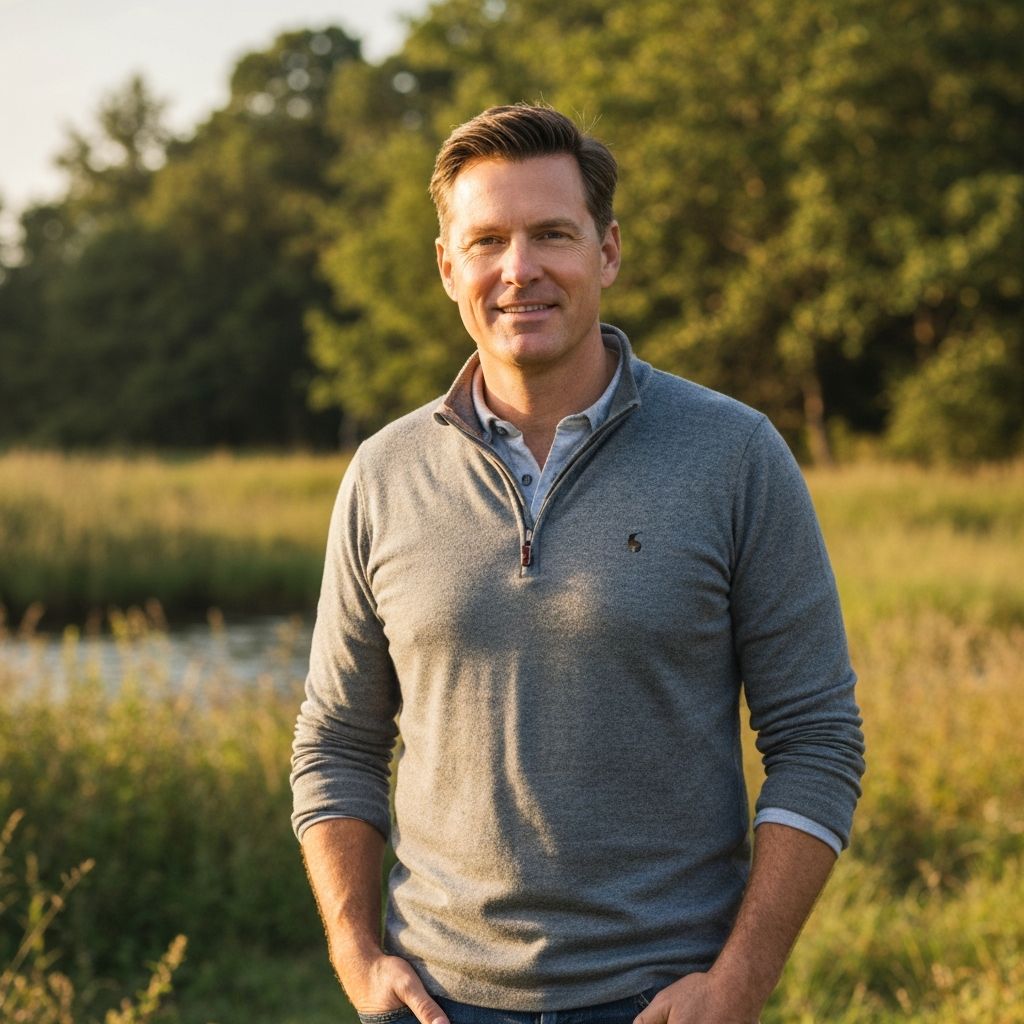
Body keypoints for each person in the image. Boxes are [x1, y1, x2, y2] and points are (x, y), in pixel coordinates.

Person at [291, 104, 865, 1024]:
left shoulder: (735, 455)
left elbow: (816, 738)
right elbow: (336, 744)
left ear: (606, 252)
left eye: (552, 234)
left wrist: (741, 980)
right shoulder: (382, 474)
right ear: (448, 267)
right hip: (435, 1003)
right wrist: (359, 957)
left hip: (666, 1000)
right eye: (487, 241)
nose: (520, 270)